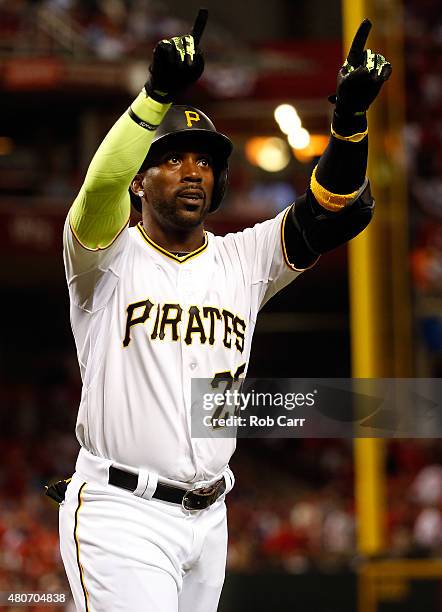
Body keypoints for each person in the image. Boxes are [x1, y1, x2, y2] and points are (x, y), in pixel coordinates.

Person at [47, 10, 391, 612]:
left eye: (205, 162)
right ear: (140, 179)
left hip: (209, 521)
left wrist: (351, 122)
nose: (192, 172)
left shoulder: (242, 260)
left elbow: (326, 208)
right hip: (121, 514)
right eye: (174, 158)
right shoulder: (105, 254)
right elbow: (99, 188)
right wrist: (154, 98)